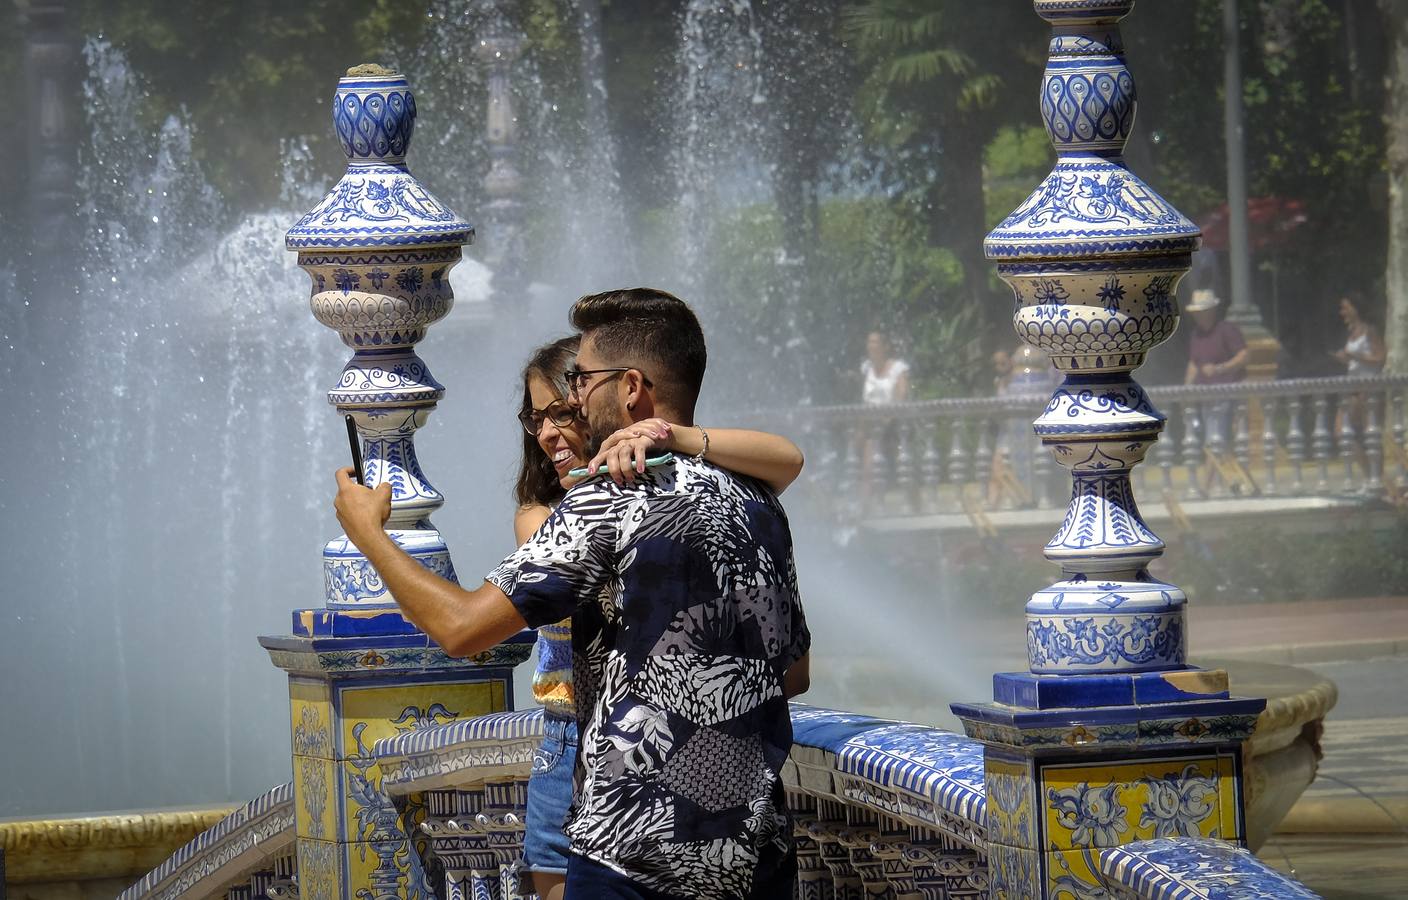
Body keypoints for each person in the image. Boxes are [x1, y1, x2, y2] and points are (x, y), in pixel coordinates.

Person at [334, 287, 811, 900]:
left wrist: (370, 533)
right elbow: (792, 673)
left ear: (631, 387)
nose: (576, 398)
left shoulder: (609, 499)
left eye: (582, 380)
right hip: (754, 854)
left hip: (634, 854)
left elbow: (459, 628)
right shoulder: (758, 501)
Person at [509, 335, 807, 900]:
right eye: (535, 419)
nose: (549, 433)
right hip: (570, 740)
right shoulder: (557, 511)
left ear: (617, 401)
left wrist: (676, 439)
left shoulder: (657, 489)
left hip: (645, 766)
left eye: (565, 413)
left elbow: (788, 458)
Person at [1332, 293, 1385, 377]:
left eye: (1345, 308)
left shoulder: (1370, 331)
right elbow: (1354, 362)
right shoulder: (1350, 333)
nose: (1342, 313)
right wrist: (1344, 358)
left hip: (1370, 384)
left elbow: (1380, 359)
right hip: (1354, 384)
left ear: (1355, 309)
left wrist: (1354, 356)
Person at [861, 331, 909, 405]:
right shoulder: (866, 368)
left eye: (874, 342)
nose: (870, 346)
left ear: (886, 346)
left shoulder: (898, 369)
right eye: (869, 342)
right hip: (868, 415)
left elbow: (902, 399)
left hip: (892, 414)